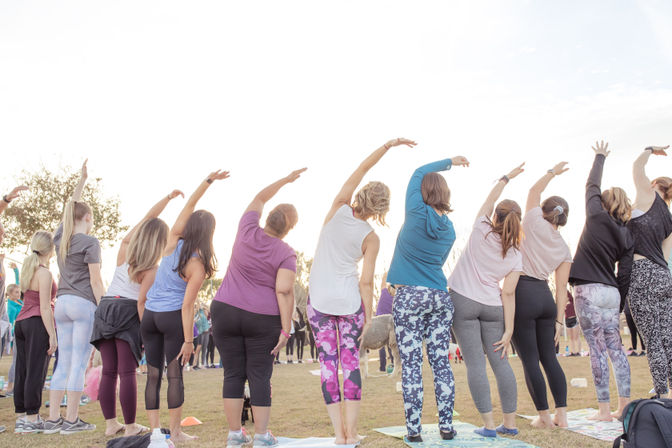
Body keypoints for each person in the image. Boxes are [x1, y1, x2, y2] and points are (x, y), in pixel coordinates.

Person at [309, 138, 415, 445]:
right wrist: (368, 315)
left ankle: (338, 433)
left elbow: (361, 167)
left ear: (361, 195)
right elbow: (366, 282)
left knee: (329, 365)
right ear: (381, 209)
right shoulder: (371, 237)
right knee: (351, 364)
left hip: (319, 302)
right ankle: (351, 433)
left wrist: (387, 146)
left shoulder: (337, 208)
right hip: (349, 304)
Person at [211, 168, 304, 447]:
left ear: (268, 217)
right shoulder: (286, 252)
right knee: (259, 375)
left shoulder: (247, 227)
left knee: (233, 374)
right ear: (288, 229)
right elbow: (284, 290)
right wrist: (286, 329)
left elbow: (259, 196)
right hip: (261, 318)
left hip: (225, 310)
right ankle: (262, 436)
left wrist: (286, 180)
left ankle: (235, 435)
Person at [140, 169, 228, 443]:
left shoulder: (171, 241)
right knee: (175, 375)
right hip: (170, 318)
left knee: (153, 374)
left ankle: (156, 432)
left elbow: (189, 205)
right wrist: (189, 340)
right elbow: (187, 306)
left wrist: (208, 182)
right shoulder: (197, 263)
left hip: (150, 317)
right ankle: (175, 432)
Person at [387, 154, 470, 443]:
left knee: (411, 365)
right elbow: (437, 262)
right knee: (441, 364)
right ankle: (446, 427)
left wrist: (449, 161)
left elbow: (418, 170)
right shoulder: (449, 229)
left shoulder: (416, 212)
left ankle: (414, 431)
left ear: (423, 192)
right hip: (438, 296)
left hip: (410, 295)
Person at [91, 190, 183, 437]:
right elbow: (142, 302)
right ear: (159, 243)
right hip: (127, 310)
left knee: (109, 370)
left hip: (106, 306)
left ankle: (111, 423)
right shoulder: (150, 269)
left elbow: (146, 218)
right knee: (127, 371)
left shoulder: (124, 251)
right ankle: (130, 426)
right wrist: (148, 335)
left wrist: (165, 200)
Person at [448, 163, 525, 438]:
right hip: (493, 309)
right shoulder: (517, 253)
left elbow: (490, 198)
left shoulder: (481, 227)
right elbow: (508, 292)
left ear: (496, 216)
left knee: (475, 365)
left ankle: (490, 427)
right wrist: (509, 329)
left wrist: (506, 177)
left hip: (463, 302)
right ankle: (511, 424)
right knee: (500, 364)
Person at [569, 140, 633, 421]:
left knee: (595, 348)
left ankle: (605, 411)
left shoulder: (596, 215)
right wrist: (618, 302)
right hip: (612, 292)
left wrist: (599, 157)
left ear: (604, 203)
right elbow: (625, 273)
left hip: (588, 290)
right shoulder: (627, 233)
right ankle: (624, 408)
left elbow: (591, 186)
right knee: (616, 349)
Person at [511, 162, 573, 429]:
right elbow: (561, 289)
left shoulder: (532, 221)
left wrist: (552, 172)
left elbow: (534, 189)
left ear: (544, 212)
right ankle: (563, 416)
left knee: (529, 360)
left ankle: (544, 417)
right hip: (546, 299)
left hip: (523, 292)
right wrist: (559, 322)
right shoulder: (564, 247)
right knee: (549, 358)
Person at [45, 160, 105, 435]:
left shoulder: (61, 239)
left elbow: (69, 207)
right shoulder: (90, 243)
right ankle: (71, 420)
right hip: (82, 305)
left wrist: (81, 182)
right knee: (78, 363)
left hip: (62, 304)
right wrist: (104, 306)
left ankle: (53, 418)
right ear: (89, 219)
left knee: (63, 363)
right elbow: (95, 280)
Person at [627, 145, 672, 398]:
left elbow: (636, 167)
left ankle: (662, 394)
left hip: (641, 272)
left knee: (653, 338)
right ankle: (670, 389)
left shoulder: (647, 195)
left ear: (655, 184)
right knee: (668, 337)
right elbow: (665, 258)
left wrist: (648, 150)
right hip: (663, 277)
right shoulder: (669, 218)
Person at [12, 231, 58, 433]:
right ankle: (32, 418)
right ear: (51, 249)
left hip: (20, 323)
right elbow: (45, 307)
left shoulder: (27, 271)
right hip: (36, 323)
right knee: (36, 370)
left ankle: (22, 416)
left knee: (23, 369)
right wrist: (53, 336)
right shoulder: (44, 273)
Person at [375, 273, 394, 373]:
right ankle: (394, 364)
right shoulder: (395, 298)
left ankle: (382, 367)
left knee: (381, 345)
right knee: (390, 344)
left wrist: (386, 273)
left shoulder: (384, 292)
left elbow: (383, 282)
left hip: (380, 321)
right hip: (390, 321)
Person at [565, 290, 582, 356]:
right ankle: (573, 352)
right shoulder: (563, 304)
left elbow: (566, 292)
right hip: (567, 321)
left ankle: (578, 352)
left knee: (576, 337)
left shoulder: (572, 301)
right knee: (571, 338)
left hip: (574, 320)